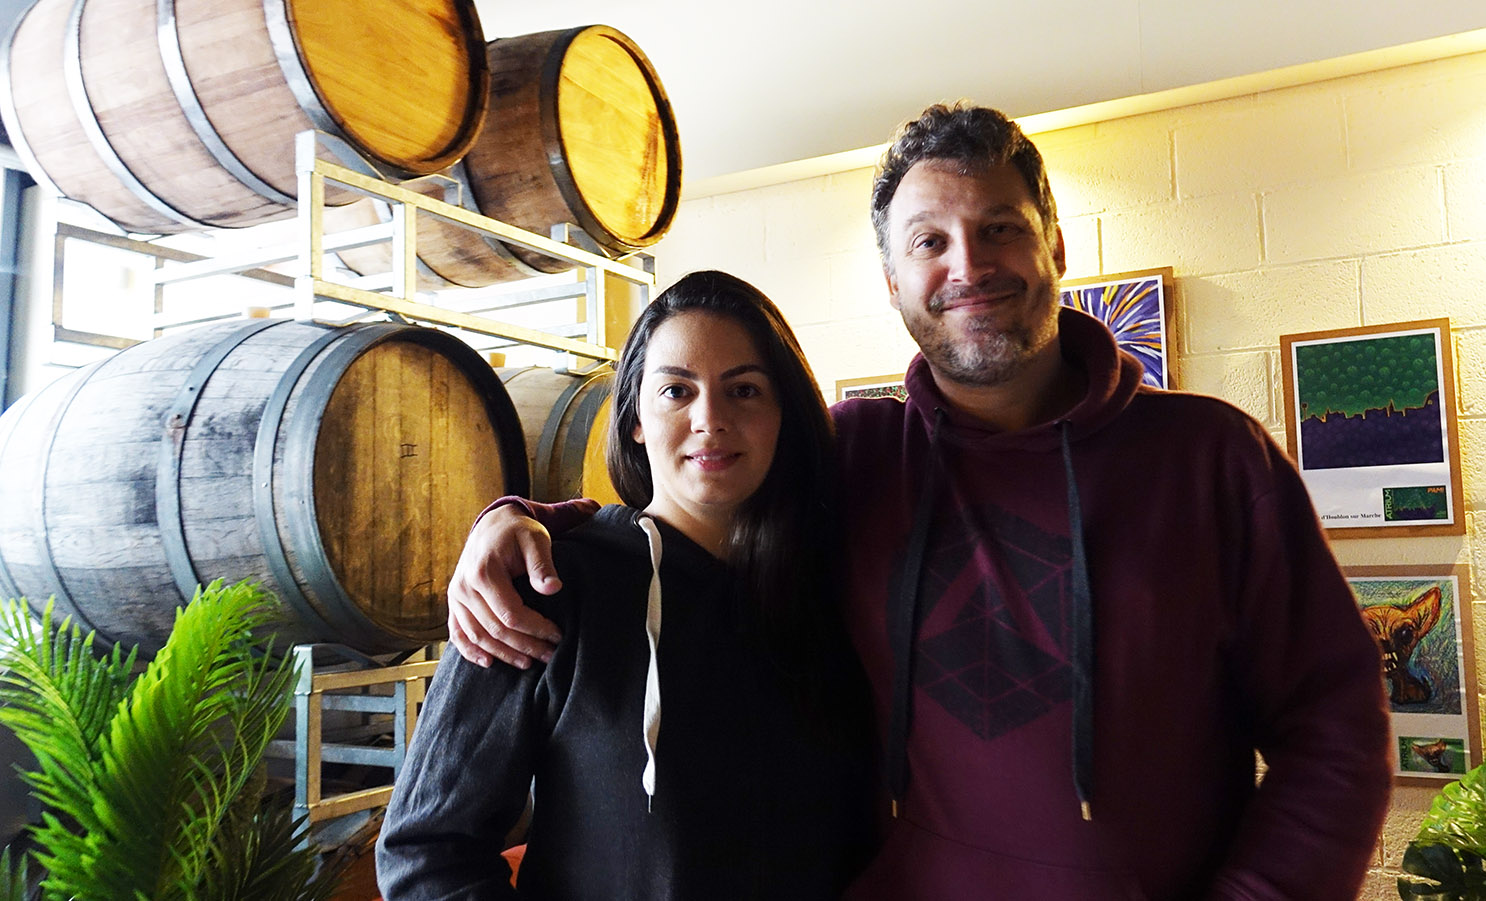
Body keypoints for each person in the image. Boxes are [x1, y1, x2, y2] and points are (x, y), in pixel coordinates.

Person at [447, 104, 1394, 900]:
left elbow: (1336, 735)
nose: (968, 266)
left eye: (1001, 228)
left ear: (1054, 244)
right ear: (894, 279)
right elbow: (694, 491)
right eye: (930, 242)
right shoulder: (854, 452)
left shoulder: (1211, 460)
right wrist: (519, 525)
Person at [378, 271, 875, 899]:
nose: (710, 420)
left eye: (744, 390)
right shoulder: (548, 587)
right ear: (635, 417)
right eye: (676, 390)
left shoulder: (828, 590)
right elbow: (426, 851)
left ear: (785, 414)